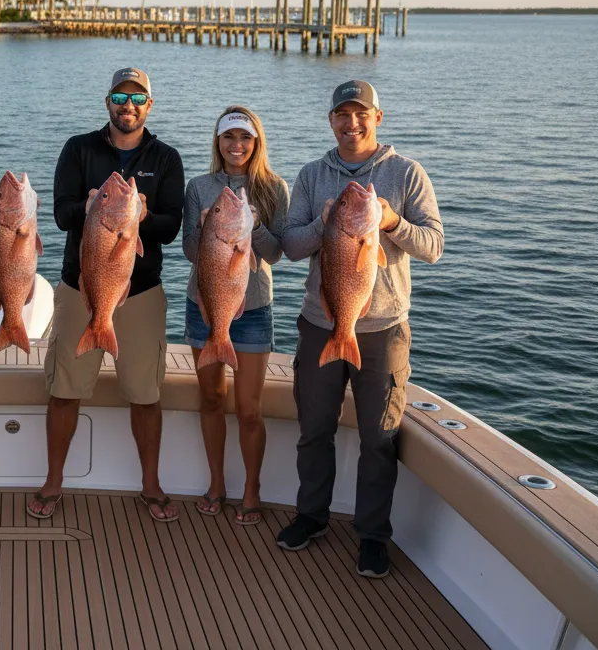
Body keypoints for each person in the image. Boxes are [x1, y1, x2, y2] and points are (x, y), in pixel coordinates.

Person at [278, 80, 443, 578]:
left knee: (378, 437)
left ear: (378, 117)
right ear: (331, 120)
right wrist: (324, 225)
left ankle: (372, 536)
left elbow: (433, 245)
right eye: (342, 116)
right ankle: (312, 515)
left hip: (385, 330)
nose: (352, 124)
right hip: (319, 323)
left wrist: (391, 222)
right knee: (314, 429)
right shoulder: (311, 175)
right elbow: (290, 244)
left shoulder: (406, 173)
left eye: (361, 115)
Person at [30, 67, 185, 523]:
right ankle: (53, 479)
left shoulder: (167, 157)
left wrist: (139, 215)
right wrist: (96, 207)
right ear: (107, 102)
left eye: (137, 98)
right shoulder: (78, 149)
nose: (128, 105)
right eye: (120, 96)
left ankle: (151, 484)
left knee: (145, 394)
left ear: (149, 106)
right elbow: (61, 214)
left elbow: (172, 227)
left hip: (141, 294)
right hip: (81, 289)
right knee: (64, 390)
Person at [182, 106, 289, 526]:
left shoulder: (274, 188)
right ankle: (216, 483)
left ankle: (252, 488)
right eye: (229, 138)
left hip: (253, 307)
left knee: (248, 408)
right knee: (210, 398)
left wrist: (254, 227)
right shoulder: (198, 187)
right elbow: (191, 252)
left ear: (257, 142)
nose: (237, 146)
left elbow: (277, 253)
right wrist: (209, 230)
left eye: (245, 138)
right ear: (218, 143)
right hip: (204, 303)